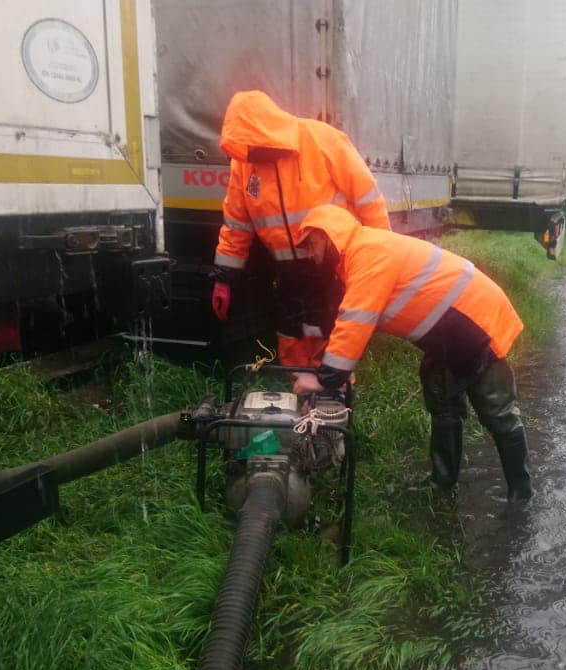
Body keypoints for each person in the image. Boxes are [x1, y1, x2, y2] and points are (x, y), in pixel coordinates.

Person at [289, 205, 534, 502]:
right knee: (443, 404)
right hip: (446, 332)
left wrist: (325, 379)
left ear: (329, 236)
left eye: (313, 245)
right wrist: (341, 365)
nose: (312, 256)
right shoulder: (358, 255)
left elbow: (355, 320)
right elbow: (354, 322)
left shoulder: (368, 253)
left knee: (498, 412)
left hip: (475, 322)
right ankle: (443, 483)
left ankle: (522, 493)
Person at [211, 90, 391, 367]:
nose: (253, 154)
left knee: (329, 332)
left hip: (332, 265)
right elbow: (236, 224)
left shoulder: (322, 139)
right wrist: (223, 278)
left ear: (266, 131)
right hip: (287, 272)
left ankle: (334, 397)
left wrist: (381, 258)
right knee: (291, 334)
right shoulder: (244, 163)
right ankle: (301, 390)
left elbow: (368, 200)